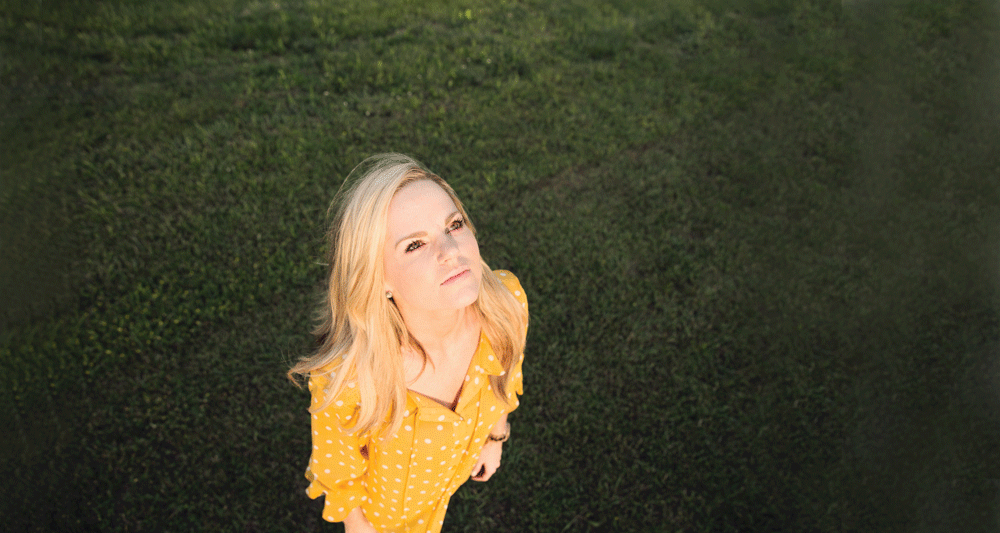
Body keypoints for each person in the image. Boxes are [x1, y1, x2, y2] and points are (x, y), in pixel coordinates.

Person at [288, 153, 528, 533]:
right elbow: (339, 471)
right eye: (414, 245)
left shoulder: (506, 304)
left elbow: (506, 376)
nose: (451, 251)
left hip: (451, 479)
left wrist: (496, 436)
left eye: (455, 224)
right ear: (378, 278)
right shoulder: (352, 378)